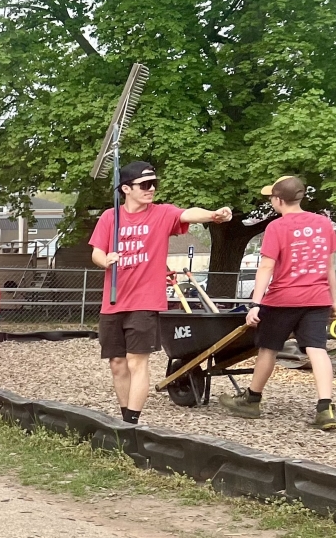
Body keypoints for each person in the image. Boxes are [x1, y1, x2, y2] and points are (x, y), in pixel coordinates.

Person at [89, 162, 232, 423]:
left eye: (154, 183)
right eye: (145, 185)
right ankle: (124, 419)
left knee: (136, 362)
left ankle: (132, 422)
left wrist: (213, 214)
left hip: (144, 301)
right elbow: (96, 251)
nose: (151, 189)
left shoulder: (162, 213)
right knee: (117, 364)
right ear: (126, 189)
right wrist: (105, 259)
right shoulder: (110, 217)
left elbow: (188, 214)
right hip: (113, 303)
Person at [218, 176, 336, 430]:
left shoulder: (277, 227)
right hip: (317, 298)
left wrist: (255, 304)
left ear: (278, 199)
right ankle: (325, 407)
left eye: (271, 197)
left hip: (283, 299)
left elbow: (266, 266)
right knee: (317, 349)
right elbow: (328, 265)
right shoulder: (322, 224)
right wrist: (332, 299)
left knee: (268, 349)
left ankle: (251, 400)